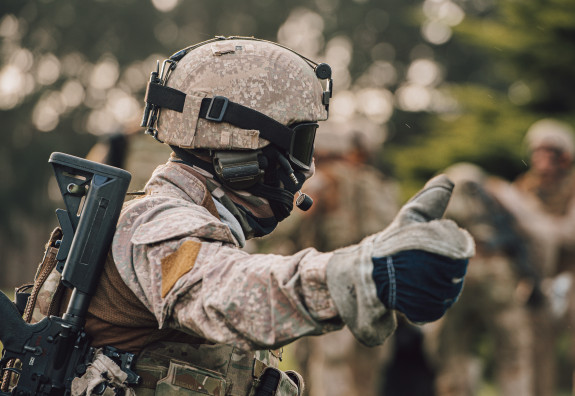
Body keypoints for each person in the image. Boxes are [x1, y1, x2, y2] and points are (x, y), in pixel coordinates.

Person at [22, 36, 474, 396]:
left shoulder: (188, 213)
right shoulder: (155, 225)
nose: (310, 167)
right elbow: (232, 290)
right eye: (301, 145)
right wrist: (365, 275)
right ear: (243, 151)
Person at [251, 117, 401, 396]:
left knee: (331, 367)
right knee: (366, 372)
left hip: (335, 283)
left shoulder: (322, 182)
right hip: (377, 284)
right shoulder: (377, 183)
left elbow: (282, 228)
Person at [424, 163, 536, 396]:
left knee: (452, 352)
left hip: (454, 272)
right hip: (496, 269)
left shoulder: (437, 194)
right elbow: (528, 230)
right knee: (513, 353)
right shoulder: (497, 194)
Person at [492, 119, 575, 395]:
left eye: (548, 152)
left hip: (571, 275)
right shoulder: (523, 189)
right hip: (537, 279)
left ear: (563, 157)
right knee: (536, 352)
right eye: (537, 152)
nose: (540, 159)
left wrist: (525, 214)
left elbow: (565, 234)